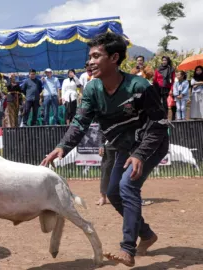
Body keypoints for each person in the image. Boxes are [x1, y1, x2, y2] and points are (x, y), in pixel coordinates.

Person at [41, 32, 168, 267]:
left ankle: (127, 248)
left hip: (151, 144)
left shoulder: (139, 86)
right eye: (89, 57)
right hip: (123, 147)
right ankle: (147, 235)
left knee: (128, 186)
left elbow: (160, 123)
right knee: (112, 193)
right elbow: (80, 123)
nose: (89, 61)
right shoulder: (91, 90)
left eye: (96, 56)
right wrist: (62, 147)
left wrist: (140, 154)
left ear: (114, 58)